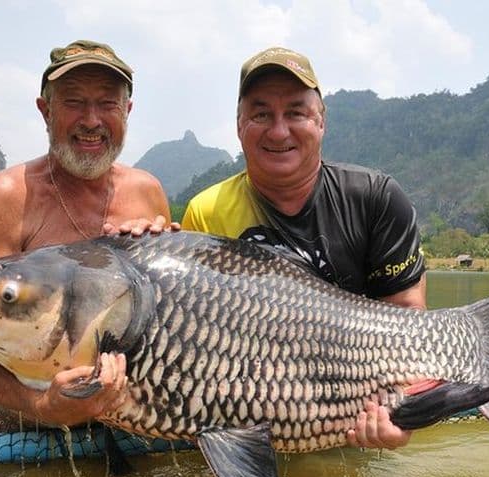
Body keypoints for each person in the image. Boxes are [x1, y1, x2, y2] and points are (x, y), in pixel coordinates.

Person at [181, 47, 427, 450]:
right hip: (241, 428)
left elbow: (410, 325)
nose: (279, 131)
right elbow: (189, 340)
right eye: (261, 114)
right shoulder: (206, 213)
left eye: (295, 113)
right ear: (239, 125)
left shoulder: (375, 198)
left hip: (350, 421)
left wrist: (404, 413)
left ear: (321, 121)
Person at [0, 40, 172, 433]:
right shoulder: (5, 196)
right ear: (45, 110)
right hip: (20, 434)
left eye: (108, 104)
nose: (91, 120)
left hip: (126, 433)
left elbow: (173, 331)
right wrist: (41, 406)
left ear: (128, 112)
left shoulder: (146, 192)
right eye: (73, 102)